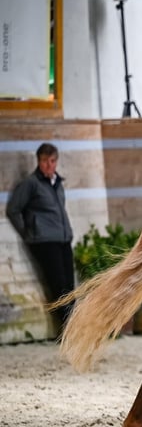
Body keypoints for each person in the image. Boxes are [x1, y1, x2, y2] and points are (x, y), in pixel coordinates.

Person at [6, 142, 74, 334]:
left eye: (52, 161)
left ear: (56, 162)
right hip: (44, 240)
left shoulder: (58, 183)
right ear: (38, 161)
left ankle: (73, 329)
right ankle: (66, 331)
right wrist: (28, 232)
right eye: (44, 161)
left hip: (63, 238)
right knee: (58, 285)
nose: (48, 165)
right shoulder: (31, 184)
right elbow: (13, 209)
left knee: (70, 285)